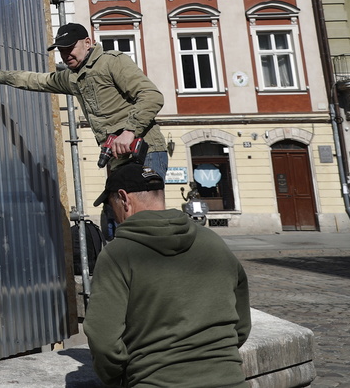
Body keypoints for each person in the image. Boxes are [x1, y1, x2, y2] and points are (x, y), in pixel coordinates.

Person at [84, 164, 251, 388]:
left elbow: (103, 341)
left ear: (124, 199)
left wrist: (120, 379)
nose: (111, 213)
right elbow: (241, 325)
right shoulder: (213, 242)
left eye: (110, 204)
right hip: (229, 380)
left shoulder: (117, 255)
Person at [0, 22, 168, 177]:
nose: (66, 54)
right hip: (118, 158)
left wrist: (129, 131)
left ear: (87, 42)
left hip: (146, 151)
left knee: (147, 219)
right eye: (61, 50)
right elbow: (38, 80)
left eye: (70, 48)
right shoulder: (71, 77)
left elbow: (152, 96)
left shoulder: (112, 62)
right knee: (126, 220)